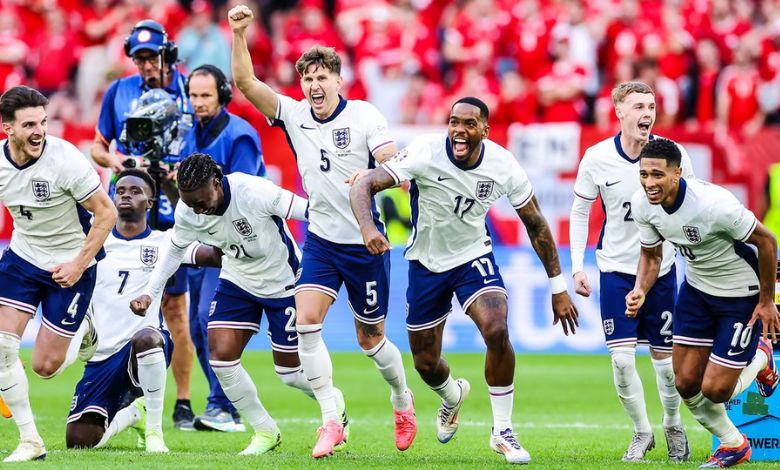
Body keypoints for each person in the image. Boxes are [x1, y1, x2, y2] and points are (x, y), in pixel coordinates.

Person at [229, 4, 416, 458]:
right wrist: (239, 33)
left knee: (371, 340)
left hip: (366, 243)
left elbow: (394, 160)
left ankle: (402, 399)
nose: (314, 86)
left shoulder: (365, 116)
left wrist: (375, 175)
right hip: (321, 241)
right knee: (307, 323)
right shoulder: (294, 115)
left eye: (321, 78)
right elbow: (246, 84)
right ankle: (331, 420)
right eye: (307, 79)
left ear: (338, 81)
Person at [350, 97, 580, 464]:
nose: (459, 129)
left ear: (484, 131)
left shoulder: (503, 165)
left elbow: (535, 223)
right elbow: (363, 187)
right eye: (454, 121)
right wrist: (367, 228)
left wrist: (558, 286)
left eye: (469, 124)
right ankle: (453, 397)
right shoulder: (425, 151)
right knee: (426, 363)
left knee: (496, 329)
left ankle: (502, 431)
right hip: (425, 263)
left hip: (473, 256)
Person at [130, 153, 328, 455]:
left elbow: (313, 212)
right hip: (237, 280)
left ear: (217, 182)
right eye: (190, 203)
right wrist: (149, 292)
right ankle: (265, 431)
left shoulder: (254, 192)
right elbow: (174, 250)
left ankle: (331, 403)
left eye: (201, 201)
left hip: (282, 282)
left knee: (289, 374)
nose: (198, 210)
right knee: (221, 358)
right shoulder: (189, 209)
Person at [627, 138, 780, 469]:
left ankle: (761, 358)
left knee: (716, 390)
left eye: (657, 175)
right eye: (643, 175)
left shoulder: (714, 205)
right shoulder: (642, 204)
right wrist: (640, 288)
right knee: (683, 383)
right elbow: (652, 256)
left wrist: (767, 300)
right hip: (696, 292)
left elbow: (767, 242)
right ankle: (733, 444)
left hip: (741, 294)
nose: (649, 183)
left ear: (677, 173)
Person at [569, 81, 693, 462]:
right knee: (622, 361)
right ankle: (642, 432)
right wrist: (576, 266)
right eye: (639, 106)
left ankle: (672, 424)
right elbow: (580, 211)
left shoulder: (673, 155)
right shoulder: (596, 157)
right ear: (619, 111)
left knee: (667, 364)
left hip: (663, 269)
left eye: (652, 106)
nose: (647, 113)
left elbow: (694, 204)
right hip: (617, 270)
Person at [0, 85, 117, 462]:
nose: (39, 131)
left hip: (70, 261)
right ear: (7, 129)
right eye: (29, 124)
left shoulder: (65, 159)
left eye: (43, 122)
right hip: (22, 256)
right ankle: (31, 441)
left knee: (45, 367)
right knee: (2, 348)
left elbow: (106, 213)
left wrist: (78, 264)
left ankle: (85, 330)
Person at [89, 19, 196, 430]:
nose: (146, 65)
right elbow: (100, 146)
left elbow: (199, 150)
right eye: (139, 58)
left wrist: (178, 172)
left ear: (167, 55)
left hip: (170, 207)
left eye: (152, 58)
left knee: (175, 309)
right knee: (120, 303)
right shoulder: (119, 91)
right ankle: (125, 394)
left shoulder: (187, 90)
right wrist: (118, 163)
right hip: (130, 207)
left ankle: (182, 401)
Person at [64, 170, 216, 453]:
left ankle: (155, 432)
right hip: (101, 358)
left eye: (135, 191)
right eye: (120, 190)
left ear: (150, 202)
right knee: (79, 442)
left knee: (147, 337)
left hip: (146, 347)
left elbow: (213, 252)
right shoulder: (93, 243)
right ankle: (135, 414)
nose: (126, 195)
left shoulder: (166, 243)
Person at [180, 63, 265, 432]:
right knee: (197, 327)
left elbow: (242, 189)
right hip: (199, 240)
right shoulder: (187, 134)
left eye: (205, 96)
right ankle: (223, 405)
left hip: (230, 242)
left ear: (223, 96)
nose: (198, 103)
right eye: (194, 95)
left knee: (206, 318)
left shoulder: (240, 135)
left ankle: (222, 405)